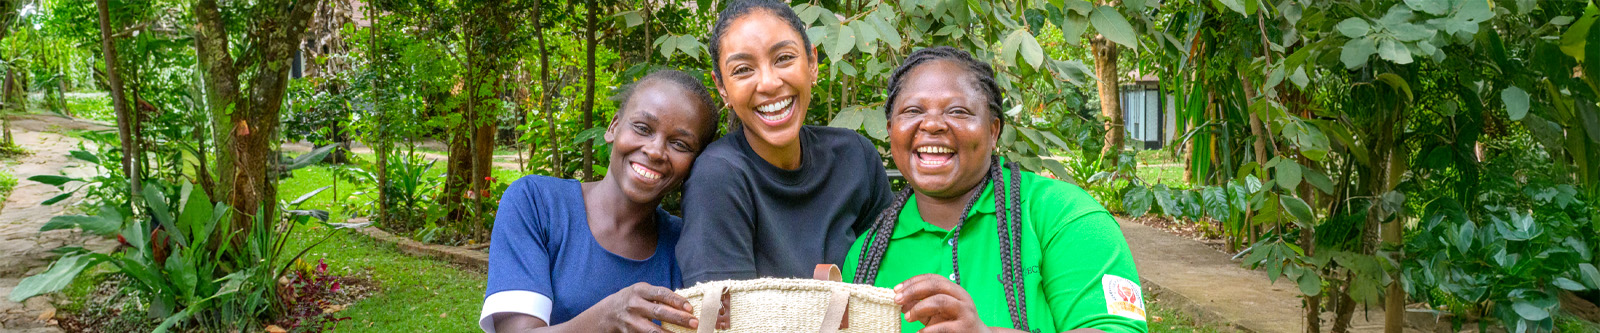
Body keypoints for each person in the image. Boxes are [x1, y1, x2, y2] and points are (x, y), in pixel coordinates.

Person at [842, 47, 1150, 333]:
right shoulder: (866, 256)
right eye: (912, 111)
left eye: (958, 111)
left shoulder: (1062, 215)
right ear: (890, 131)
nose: (932, 124)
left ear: (993, 131)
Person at [480, 70, 728, 333]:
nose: (655, 151)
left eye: (680, 144)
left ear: (694, 164)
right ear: (613, 127)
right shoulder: (537, 203)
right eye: (643, 128)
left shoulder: (686, 245)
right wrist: (607, 318)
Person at [677, 0, 893, 286]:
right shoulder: (718, 177)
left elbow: (890, 275)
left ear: (812, 63)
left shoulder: (855, 156)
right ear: (722, 88)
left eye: (783, 58)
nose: (768, 83)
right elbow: (727, 320)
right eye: (743, 69)